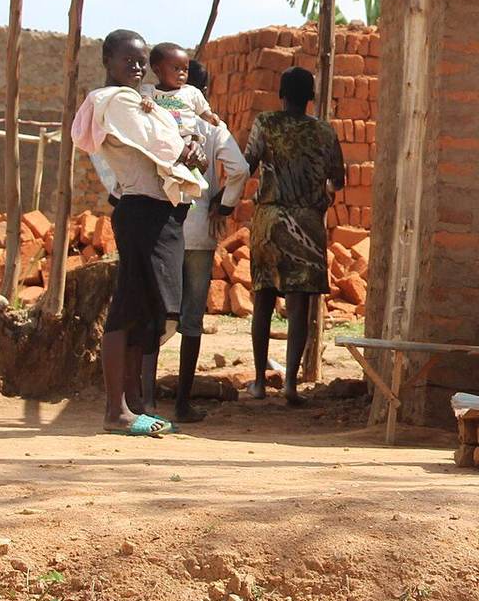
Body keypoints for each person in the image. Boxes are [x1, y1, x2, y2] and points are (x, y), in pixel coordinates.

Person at [70, 29, 206, 436]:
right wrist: (187, 149)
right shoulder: (116, 102)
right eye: (127, 59)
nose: (135, 66)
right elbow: (160, 143)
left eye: (141, 60)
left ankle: (132, 404)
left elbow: (173, 138)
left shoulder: (138, 100)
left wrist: (188, 145)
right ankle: (117, 409)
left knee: (147, 313)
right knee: (128, 309)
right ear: (107, 61)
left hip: (160, 213)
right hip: (142, 212)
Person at [245, 66, 344, 404]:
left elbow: (247, 163)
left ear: (281, 95)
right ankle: (289, 384)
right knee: (300, 306)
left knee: (263, 298)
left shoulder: (265, 123)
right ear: (311, 98)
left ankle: (258, 381)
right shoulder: (325, 132)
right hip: (307, 224)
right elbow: (338, 179)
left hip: (269, 220)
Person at [171, 58, 248, 423]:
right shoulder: (212, 125)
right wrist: (224, 205)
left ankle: (142, 397)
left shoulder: (157, 117)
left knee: (157, 311)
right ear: (205, 92)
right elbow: (241, 170)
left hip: (163, 228)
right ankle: (182, 403)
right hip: (200, 229)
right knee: (191, 319)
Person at [143, 41, 221, 130]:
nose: (182, 74)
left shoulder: (192, 92)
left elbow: (203, 112)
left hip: (188, 138)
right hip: (161, 137)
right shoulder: (150, 90)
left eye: (185, 69)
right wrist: (147, 101)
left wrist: (211, 117)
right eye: (176, 69)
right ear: (157, 70)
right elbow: (145, 98)